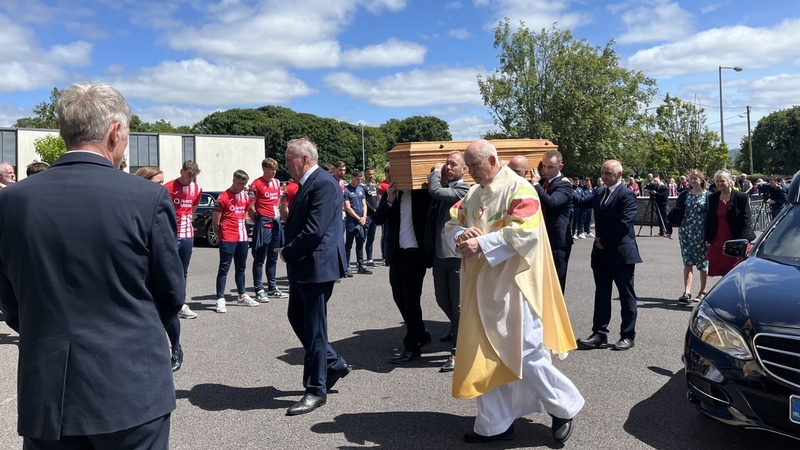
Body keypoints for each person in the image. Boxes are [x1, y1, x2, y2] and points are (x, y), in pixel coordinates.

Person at [0, 81, 183, 449]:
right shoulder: (145, 197)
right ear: (115, 131)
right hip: (131, 388)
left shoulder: (13, 200)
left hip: (47, 391)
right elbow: (171, 293)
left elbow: (10, 296)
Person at [445, 139, 583, 445]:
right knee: (485, 356)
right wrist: (460, 235)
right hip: (479, 287)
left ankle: (563, 407)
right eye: (467, 167)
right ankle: (494, 423)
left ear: (493, 160)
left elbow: (526, 231)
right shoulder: (471, 194)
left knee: (528, 354)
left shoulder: (520, 188)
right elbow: (451, 224)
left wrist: (480, 243)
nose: (471, 173)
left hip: (515, 286)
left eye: (475, 166)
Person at [279, 138, 351, 416]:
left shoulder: (321, 182)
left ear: (305, 159)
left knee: (314, 327)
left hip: (316, 266)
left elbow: (314, 230)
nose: (286, 164)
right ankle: (333, 363)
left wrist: (287, 252)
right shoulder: (310, 182)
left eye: (289, 159)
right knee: (298, 318)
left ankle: (315, 389)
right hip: (304, 266)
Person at [574, 159, 642, 351]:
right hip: (601, 256)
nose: (604, 177)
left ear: (619, 175)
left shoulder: (627, 195)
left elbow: (625, 223)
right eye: (602, 173)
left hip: (621, 254)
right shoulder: (599, 192)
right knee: (602, 295)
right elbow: (580, 202)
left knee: (626, 296)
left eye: (608, 174)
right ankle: (599, 334)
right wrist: (563, 186)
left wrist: (604, 241)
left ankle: (627, 335)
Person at [373, 165, 432, 364]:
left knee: (411, 300)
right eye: (389, 176)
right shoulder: (393, 195)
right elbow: (378, 218)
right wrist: (389, 200)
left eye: (393, 175)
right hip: (397, 254)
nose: (390, 178)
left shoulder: (423, 195)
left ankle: (412, 346)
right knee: (398, 295)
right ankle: (420, 333)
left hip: (416, 255)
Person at [136, 166, 189, 372]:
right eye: (158, 182)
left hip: (159, 261)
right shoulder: (134, 201)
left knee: (168, 306)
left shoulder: (161, 202)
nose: (163, 187)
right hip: (140, 263)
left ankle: (176, 348)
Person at [425, 151, 469, 372]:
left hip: (456, 256)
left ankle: (457, 351)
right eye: (446, 164)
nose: (447, 168)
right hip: (439, 254)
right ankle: (459, 329)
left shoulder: (464, 189)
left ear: (464, 169)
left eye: (452, 164)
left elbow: (434, 191)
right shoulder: (446, 187)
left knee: (458, 305)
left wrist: (433, 172)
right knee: (442, 300)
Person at [526, 151, 574, 294]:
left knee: (556, 282)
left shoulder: (564, 185)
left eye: (550, 167)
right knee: (541, 281)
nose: (546, 170)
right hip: (541, 237)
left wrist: (535, 184)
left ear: (560, 166)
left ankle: (557, 315)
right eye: (544, 166)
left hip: (557, 241)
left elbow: (552, 203)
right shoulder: (542, 182)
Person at [213, 170, 259, 313]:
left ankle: (242, 295)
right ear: (234, 180)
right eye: (240, 183)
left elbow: (247, 212)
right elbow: (216, 221)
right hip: (227, 237)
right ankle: (220, 299)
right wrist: (220, 236)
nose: (242, 186)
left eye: (244, 184)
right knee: (224, 268)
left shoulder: (245, 197)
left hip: (242, 237)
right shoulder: (223, 197)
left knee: (241, 267)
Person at [163, 160, 203, 321]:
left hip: (187, 234)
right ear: (181, 171)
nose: (190, 180)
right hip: (170, 234)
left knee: (183, 271)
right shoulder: (168, 187)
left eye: (193, 177)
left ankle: (180, 303)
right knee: (166, 270)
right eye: (188, 176)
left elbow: (193, 208)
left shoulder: (197, 189)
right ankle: (165, 302)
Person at [249, 158, 288, 301]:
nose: (274, 172)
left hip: (276, 222)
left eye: (275, 170)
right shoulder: (256, 184)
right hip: (264, 223)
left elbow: (277, 201)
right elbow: (251, 207)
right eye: (271, 169)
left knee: (273, 257)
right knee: (259, 259)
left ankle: (272, 287)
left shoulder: (277, 182)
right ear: (264, 169)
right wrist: (258, 221)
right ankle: (259, 289)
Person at [705, 169, 756, 277]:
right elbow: (709, 219)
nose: (719, 184)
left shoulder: (741, 197)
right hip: (718, 238)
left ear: (729, 181)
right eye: (717, 181)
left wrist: (741, 241)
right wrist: (707, 237)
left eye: (722, 181)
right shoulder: (712, 197)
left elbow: (746, 220)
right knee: (722, 270)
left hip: (735, 237)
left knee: (735, 270)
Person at [675, 170, 710, 305]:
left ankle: (702, 291)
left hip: (701, 234)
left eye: (695, 178)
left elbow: (712, 217)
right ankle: (687, 292)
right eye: (691, 179)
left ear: (701, 180)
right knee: (687, 262)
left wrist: (710, 236)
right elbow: (677, 211)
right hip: (686, 232)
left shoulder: (708, 196)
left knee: (703, 263)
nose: (693, 181)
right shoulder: (685, 195)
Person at [343, 170, 372, 275]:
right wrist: (358, 218)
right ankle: (346, 266)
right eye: (357, 179)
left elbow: (364, 204)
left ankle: (360, 265)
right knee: (349, 244)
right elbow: (347, 207)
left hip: (361, 221)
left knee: (360, 243)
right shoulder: (346, 190)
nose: (359, 181)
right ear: (352, 178)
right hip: (352, 221)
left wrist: (364, 217)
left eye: (360, 179)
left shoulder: (360, 189)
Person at [361, 167, 379, 267]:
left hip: (374, 216)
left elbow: (376, 199)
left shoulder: (374, 186)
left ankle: (370, 259)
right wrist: (372, 209)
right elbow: (365, 201)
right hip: (367, 215)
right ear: (365, 175)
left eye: (372, 174)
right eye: (369, 174)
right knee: (363, 238)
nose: (371, 176)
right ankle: (360, 260)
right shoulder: (362, 187)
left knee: (371, 239)